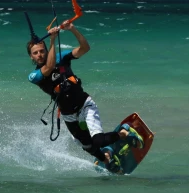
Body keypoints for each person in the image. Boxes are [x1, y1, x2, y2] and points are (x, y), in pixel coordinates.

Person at [27, 21, 140, 172]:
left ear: (46, 50)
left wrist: (73, 29)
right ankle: (106, 157)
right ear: (31, 57)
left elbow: (85, 48)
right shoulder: (33, 76)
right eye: (35, 53)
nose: (39, 55)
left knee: (98, 140)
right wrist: (53, 40)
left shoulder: (61, 57)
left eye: (42, 51)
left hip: (84, 105)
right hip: (68, 114)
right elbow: (48, 68)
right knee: (86, 145)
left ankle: (124, 133)